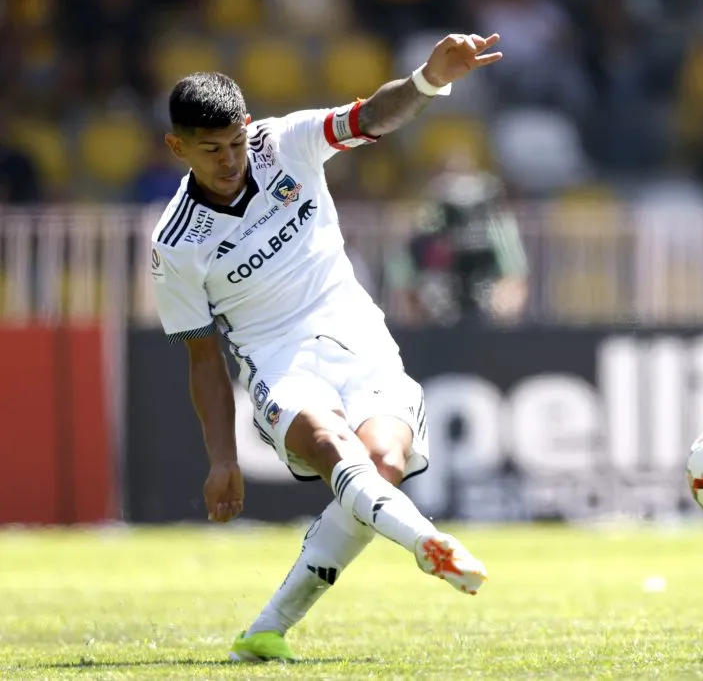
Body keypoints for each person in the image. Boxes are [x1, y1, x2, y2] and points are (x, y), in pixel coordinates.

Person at [149, 33, 503, 663]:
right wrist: (222, 459)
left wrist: (427, 78)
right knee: (336, 449)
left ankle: (267, 628)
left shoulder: (284, 142)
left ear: (248, 127)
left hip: (358, 334)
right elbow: (203, 357)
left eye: (235, 142)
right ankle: (428, 544)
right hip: (278, 360)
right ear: (178, 147)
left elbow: (368, 117)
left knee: (382, 464)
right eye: (211, 150)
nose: (230, 160)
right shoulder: (176, 243)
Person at [388, 157, 529, 326]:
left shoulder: (496, 223)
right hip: (435, 320)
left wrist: (500, 314)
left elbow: (515, 278)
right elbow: (404, 277)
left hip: (486, 318)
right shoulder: (427, 222)